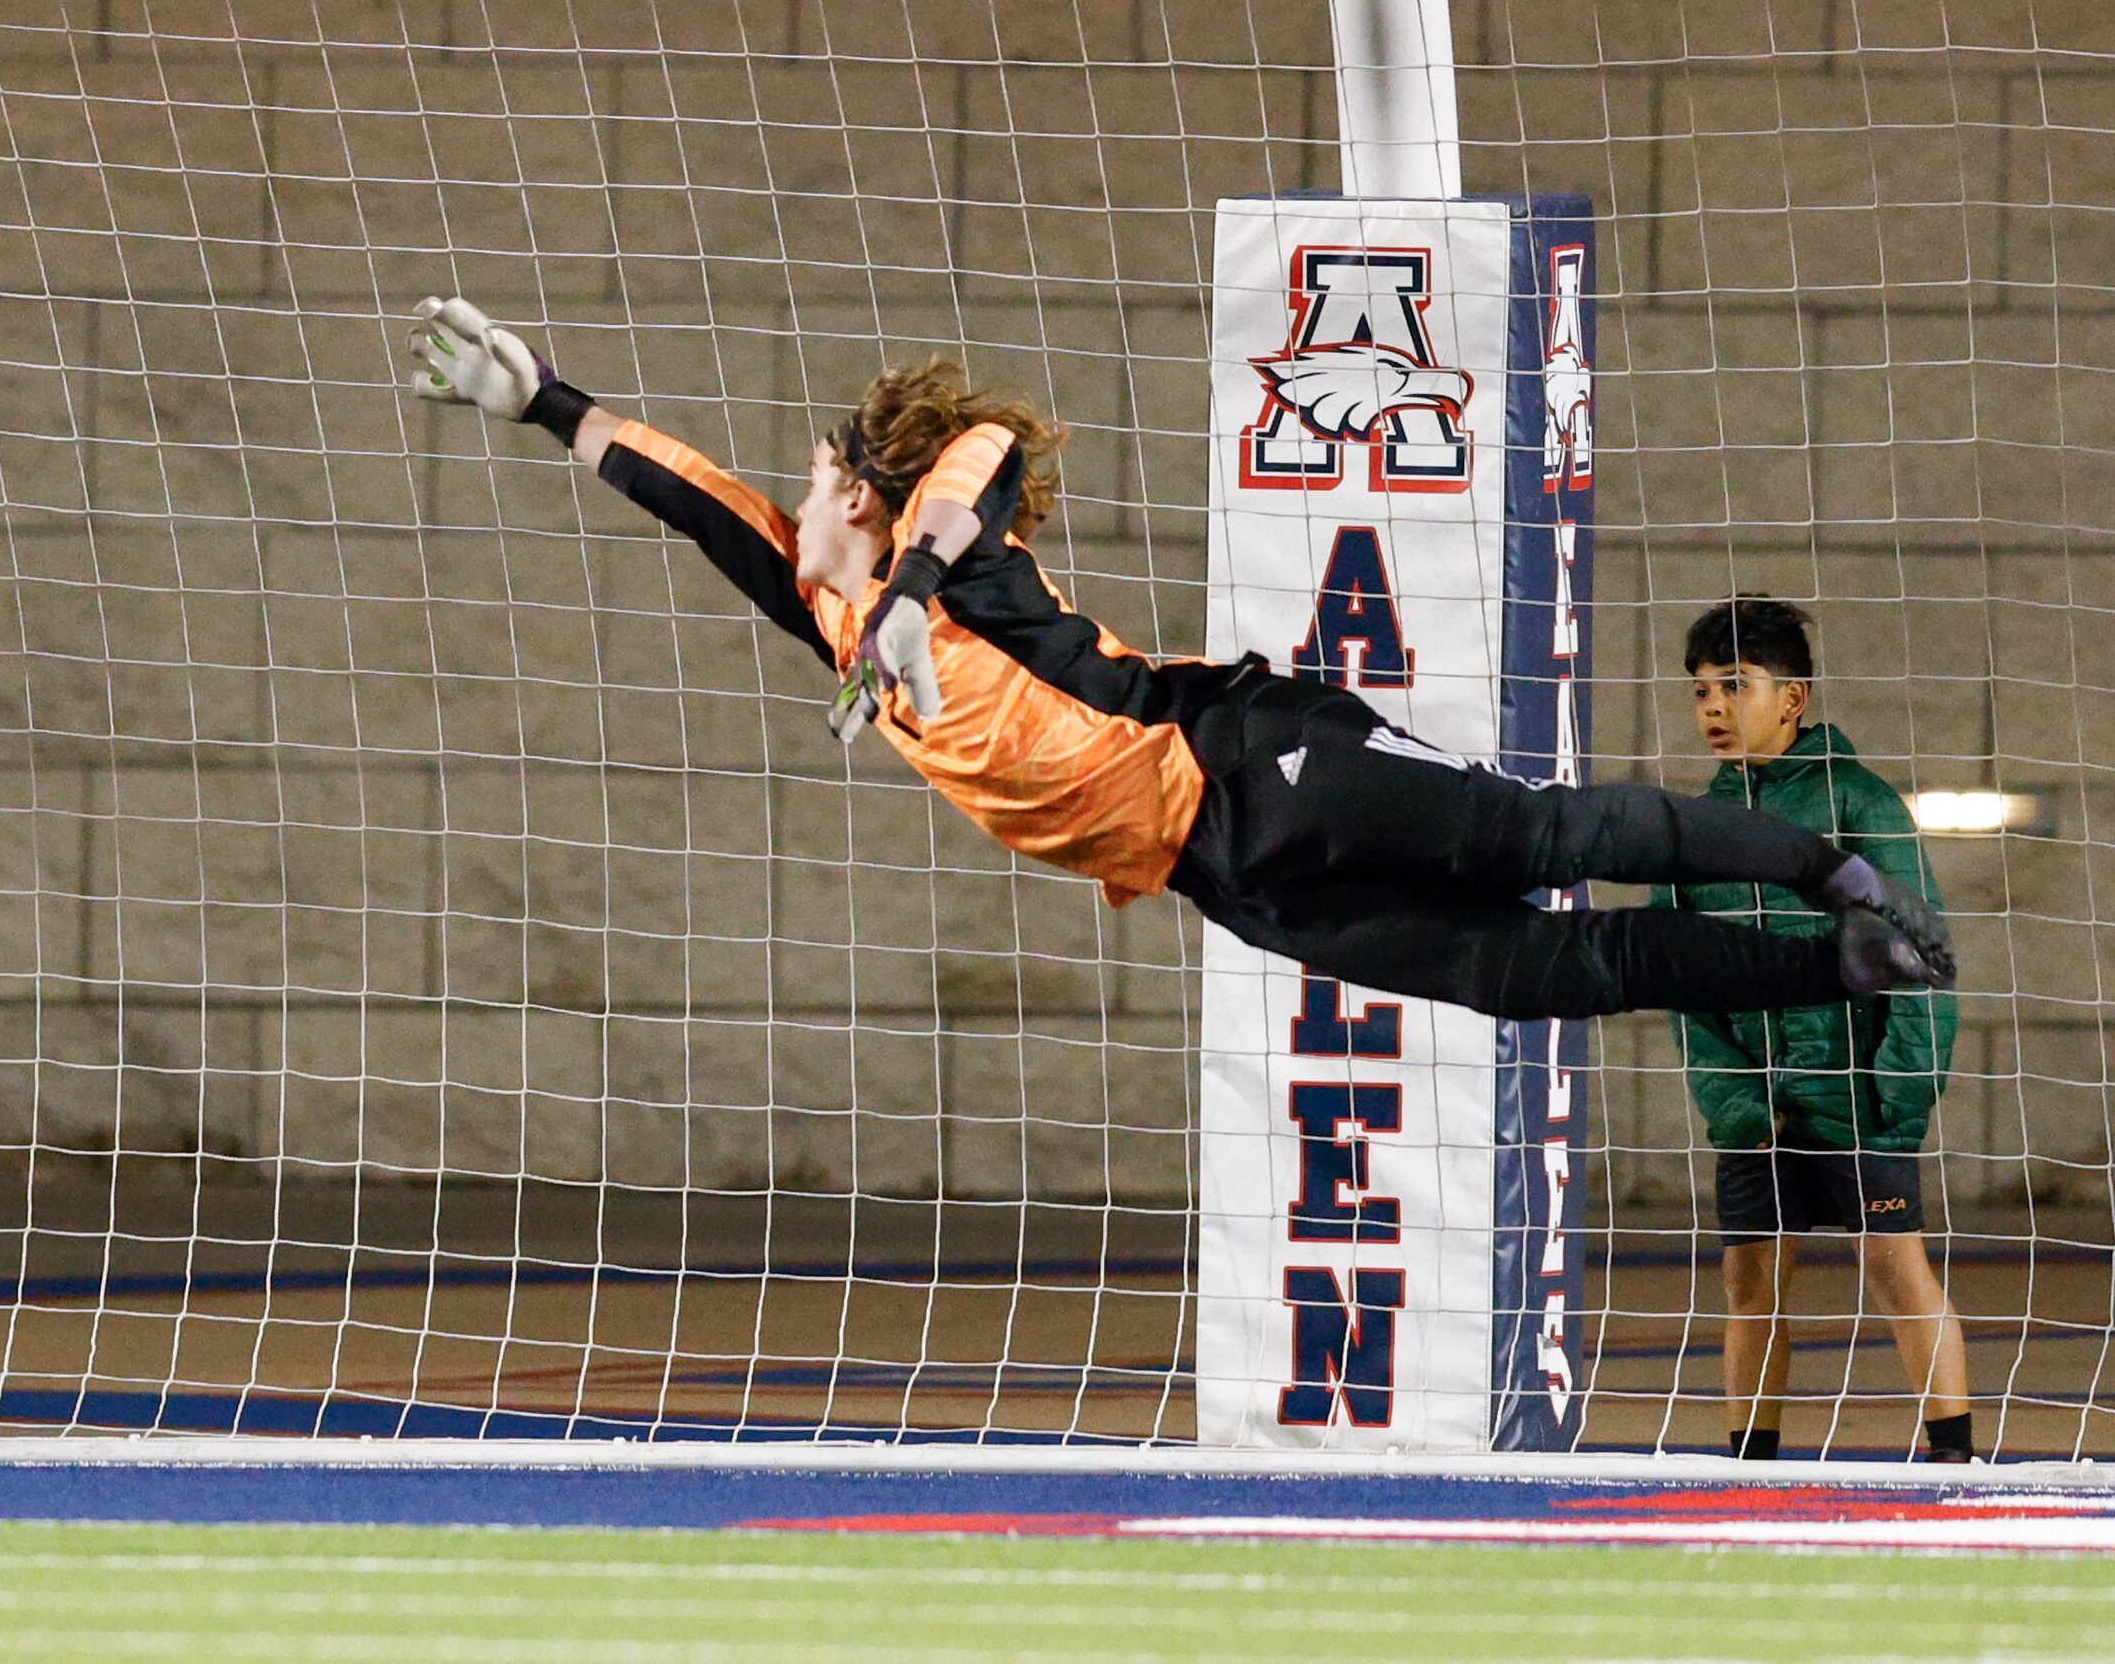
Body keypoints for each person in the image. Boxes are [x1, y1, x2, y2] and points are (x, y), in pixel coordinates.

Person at [404, 295, 1957, 1023]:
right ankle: (1836, 964)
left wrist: (910, 593)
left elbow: (988, 444)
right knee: (1529, 975)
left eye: (816, 483)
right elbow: (699, 502)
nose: (792, 503)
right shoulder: (830, 613)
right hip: (1231, 870)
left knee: (1543, 836)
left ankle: (1828, 872)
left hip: (1251, 755)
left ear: (866, 503)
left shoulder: (960, 557)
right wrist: (545, 395)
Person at [1655, 597, 1972, 1462]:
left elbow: (1924, 955)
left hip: (1857, 1101)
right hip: (1759, 1113)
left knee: (1897, 1273)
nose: (1712, 708)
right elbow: (1678, 978)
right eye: (1699, 692)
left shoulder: (1857, 800)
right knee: (1748, 1281)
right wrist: (1734, 1100)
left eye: (1734, 686)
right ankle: (1748, 1465)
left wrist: (1894, 1094)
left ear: (1791, 698)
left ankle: (1952, 1459)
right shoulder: (1689, 829)